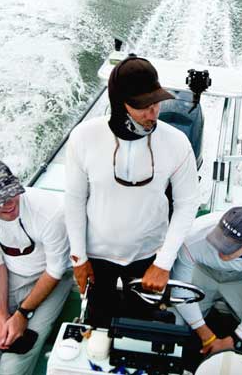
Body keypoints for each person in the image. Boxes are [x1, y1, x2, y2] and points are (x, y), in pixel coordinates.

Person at [65, 55, 199, 328]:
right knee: (97, 322)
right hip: (96, 255)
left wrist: (163, 263)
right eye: (142, 107)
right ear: (118, 103)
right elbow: (75, 200)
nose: (153, 114)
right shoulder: (83, 137)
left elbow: (187, 203)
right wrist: (79, 257)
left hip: (149, 254)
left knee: (142, 323)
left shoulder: (177, 143)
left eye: (156, 103)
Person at [0, 158, 72, 375]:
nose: (9, 204)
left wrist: (21, 315)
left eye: (12, 192)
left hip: (51, 277)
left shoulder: (51, 212)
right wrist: (2, 315)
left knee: (20, 352)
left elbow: (56, 269)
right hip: (9, 274)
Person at [172, 206, 242, 369]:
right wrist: (206, 335)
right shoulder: (194, 234)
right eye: (218, 240)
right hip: (203, 272)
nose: (220, 250)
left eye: (230, 246)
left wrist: (234, 338)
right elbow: (179, 289)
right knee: (173, 322)